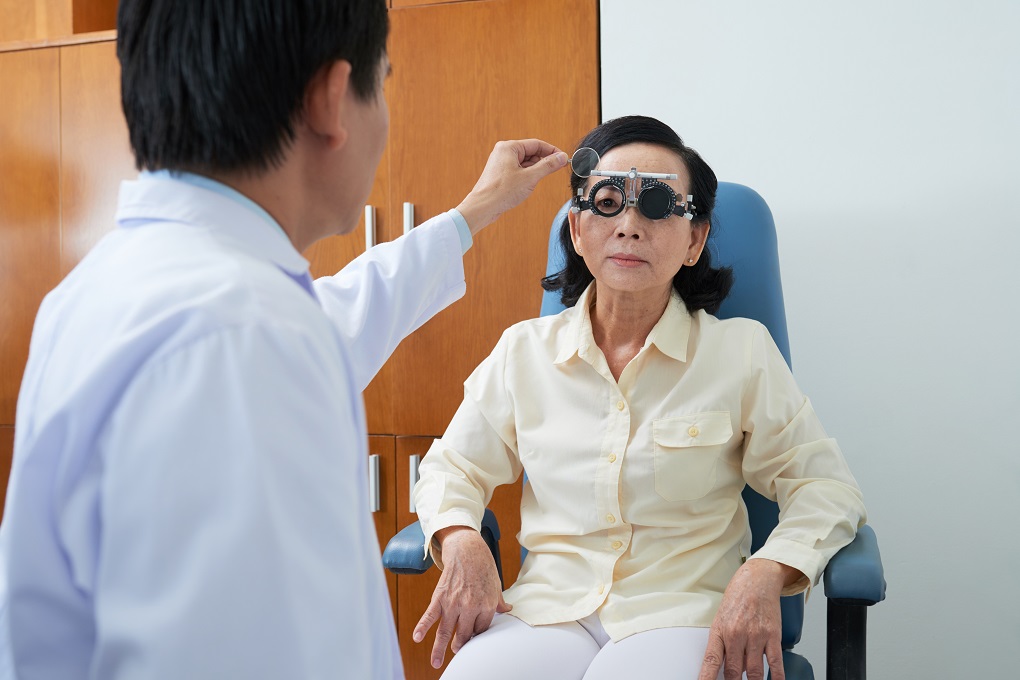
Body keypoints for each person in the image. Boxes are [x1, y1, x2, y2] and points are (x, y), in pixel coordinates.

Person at [0, 1, 568, 678]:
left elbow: (349, 311)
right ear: (332, 99)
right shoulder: (246, 337)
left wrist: (473, 214)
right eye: (381, 83)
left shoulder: (108, 291)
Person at [411, 115, 867, 680]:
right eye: (606, 202)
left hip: (682, 616)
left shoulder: (740, 353)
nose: (628, 224)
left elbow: (825, 486)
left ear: (694, 239)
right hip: (547, 614)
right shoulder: (523, 353)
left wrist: (767, 569)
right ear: (577, 232)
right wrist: (459, 538)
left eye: (655, 204)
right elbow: (451, 467)